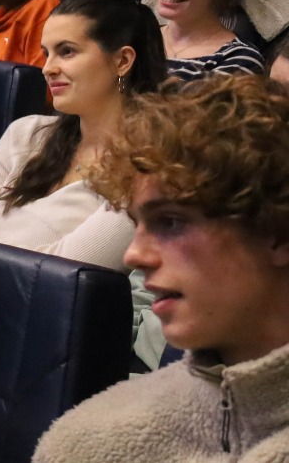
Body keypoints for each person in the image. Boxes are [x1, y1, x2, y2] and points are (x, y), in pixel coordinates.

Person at [33, 74, 289, 463]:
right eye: (137, 224)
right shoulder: (87, 444)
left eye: (171, 222)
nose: (135, 255)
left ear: (277, 232)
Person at [0, 0, 165, 269]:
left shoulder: (146, 169)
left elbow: (59, 278)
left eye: (67, 52)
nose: (47, 69)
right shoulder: (27, 133)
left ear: (122, 61)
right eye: (46, 54)